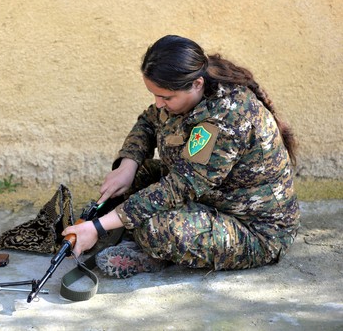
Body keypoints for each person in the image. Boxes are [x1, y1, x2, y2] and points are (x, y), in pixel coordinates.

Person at [62, 34, 300, 278]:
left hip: (253, 230)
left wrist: (99, 227)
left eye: (165, 97)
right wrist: (128, 164)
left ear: (196, 84)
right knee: (133, 182)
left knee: (155, 229)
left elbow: (180, 186)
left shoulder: (227, 118)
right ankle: (135, 236)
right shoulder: (190, 90)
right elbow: (149, 121)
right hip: (210, 197)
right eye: (154, 95)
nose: (158, 104)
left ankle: (154, 255)